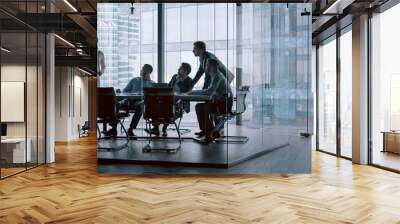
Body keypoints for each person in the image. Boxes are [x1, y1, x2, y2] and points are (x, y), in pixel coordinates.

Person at [188, 58, 232, 143]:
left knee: (202, 107)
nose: (205, 67)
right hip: (221, 102)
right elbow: (214, 91)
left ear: (211, 66)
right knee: (199, 107)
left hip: (223, 105)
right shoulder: (214, 75)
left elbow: (210, 91)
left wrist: (192, 92)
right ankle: (209, 131)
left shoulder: (217, 76)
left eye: (207, 65)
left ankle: (210, 132)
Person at [105, 64, 154, 137]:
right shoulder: (134, 80)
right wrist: (120, 92)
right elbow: (125, 91)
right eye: (142, 69)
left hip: (139, 103)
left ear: (149, 72)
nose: (142, 71)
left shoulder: (152, 84)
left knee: (141, 106)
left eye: (144, 69)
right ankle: (113, 128)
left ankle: (130, 129)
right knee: (116, 104)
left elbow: (151, 98)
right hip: (129, 101)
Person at [146, 62, 193, 137]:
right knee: (155, 104)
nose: (178, 69)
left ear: (185, 71)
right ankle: (156, 128)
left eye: (180, 68)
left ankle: (163, 128)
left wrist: (180, 82)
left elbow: (187, 92)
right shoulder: (175, 76)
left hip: (180, 103)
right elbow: (169, 87)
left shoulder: (189, 81)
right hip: (169, 100)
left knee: (167, 108)